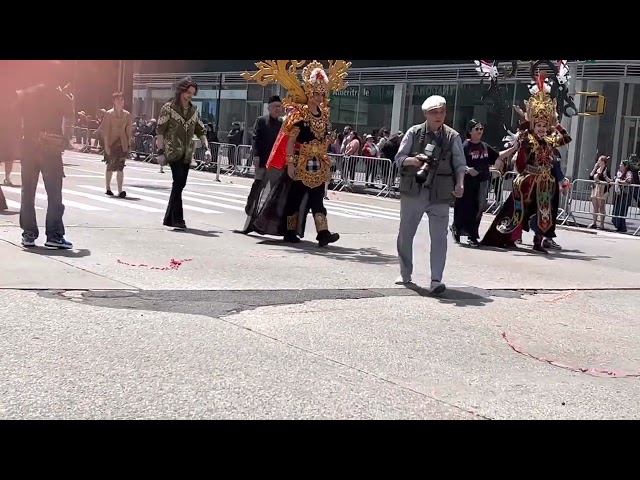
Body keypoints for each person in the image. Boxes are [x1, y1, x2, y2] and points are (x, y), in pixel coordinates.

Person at [241, 60, 350, 246]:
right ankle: (289, 231)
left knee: (317, 201)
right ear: (309, 93)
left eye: (322, 93)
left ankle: (323, 233)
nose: (319, 97)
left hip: (318, 164)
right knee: (295, 199)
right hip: (301, 163)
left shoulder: (323, 116)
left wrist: (328, 144)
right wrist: (290, 164)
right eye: (316, 93)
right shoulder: (300, 115)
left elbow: (322, 140)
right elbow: (291, 142)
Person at [481, 72, 572, 253]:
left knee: (544, 212)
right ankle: (506, 236)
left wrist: (557, 125)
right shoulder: (528, 139)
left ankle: (538, 241)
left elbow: (567, 138)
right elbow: (522, 142)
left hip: (546, 182)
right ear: (534, 126)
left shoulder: (551, 140)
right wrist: (525, 122)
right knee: (517, 210)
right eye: (538, 126)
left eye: (544, 126)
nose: (541, 129)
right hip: (528, 180)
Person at [394, 95, 467, 295]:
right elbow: (399, 158)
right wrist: (414, 161)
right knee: (406, 234)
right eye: (434, 113)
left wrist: (460, 184)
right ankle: (405, 273)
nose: (438, 116)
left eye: (442, 112)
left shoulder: (452, 137)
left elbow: (460, 165)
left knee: (440, 238)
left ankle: (436, 280)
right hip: (414, 191)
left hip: (440, 194)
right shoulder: (414, 133)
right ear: (426, 114)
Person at [16, 61, 76, 248]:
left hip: (28, 147)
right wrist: (65, 141)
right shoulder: (62, 97)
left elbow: (15, 119)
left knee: (28, 192)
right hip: (50, 149)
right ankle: (54, 235)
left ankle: (29, 233)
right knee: (54, 193)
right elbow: (68, 122)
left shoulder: (26, 94)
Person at [451, 119, 518, 247]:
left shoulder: (484, 146)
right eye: (477, 129)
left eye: (481, 129)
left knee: (479, 208)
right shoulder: (464, 146)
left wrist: (514, 148)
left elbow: (498, 155)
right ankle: (457, 228)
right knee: (465, 208)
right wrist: (467, 170)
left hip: (482, 181)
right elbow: (457, 162)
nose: (480, 131)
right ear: (470, 131)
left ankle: (473, 235)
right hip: (467, 182)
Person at [155, 77, 211, 230]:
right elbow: (160, 130)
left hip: (187, 153)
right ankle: (178, 219)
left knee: (180, 184)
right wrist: (160, 151)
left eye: (192, 93)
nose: (190, 96)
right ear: (181, 91)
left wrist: (207, 148)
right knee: (178, 182)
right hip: (172, 151)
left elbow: (201, 130)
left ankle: (170, 218)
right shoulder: (168, 108)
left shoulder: (194, 111)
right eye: (188, 92)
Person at [243, 95, 283, 218]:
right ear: (269, 107)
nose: (277, 109)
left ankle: (266, 213)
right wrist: (256, 156)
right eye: (275, 106)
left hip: (275, 162)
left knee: (274, 188)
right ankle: (250, 207)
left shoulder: (282, 123)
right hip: (262, 159)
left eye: (279, 106)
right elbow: (255, 138)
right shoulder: (261, 120)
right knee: (258, 184)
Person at [101, 92, 132, 198]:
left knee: (120, 167)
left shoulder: (127, 115)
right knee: (110, 166)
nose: (120, 101)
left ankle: (120, 190)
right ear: (113, 101)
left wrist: (129, 145)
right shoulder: (108, 114)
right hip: (111, 142)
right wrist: (106, 145)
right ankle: (108, 188)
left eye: (122, 99)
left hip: (122, 142)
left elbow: (129, 131)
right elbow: (106, 130)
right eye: (118, 99)